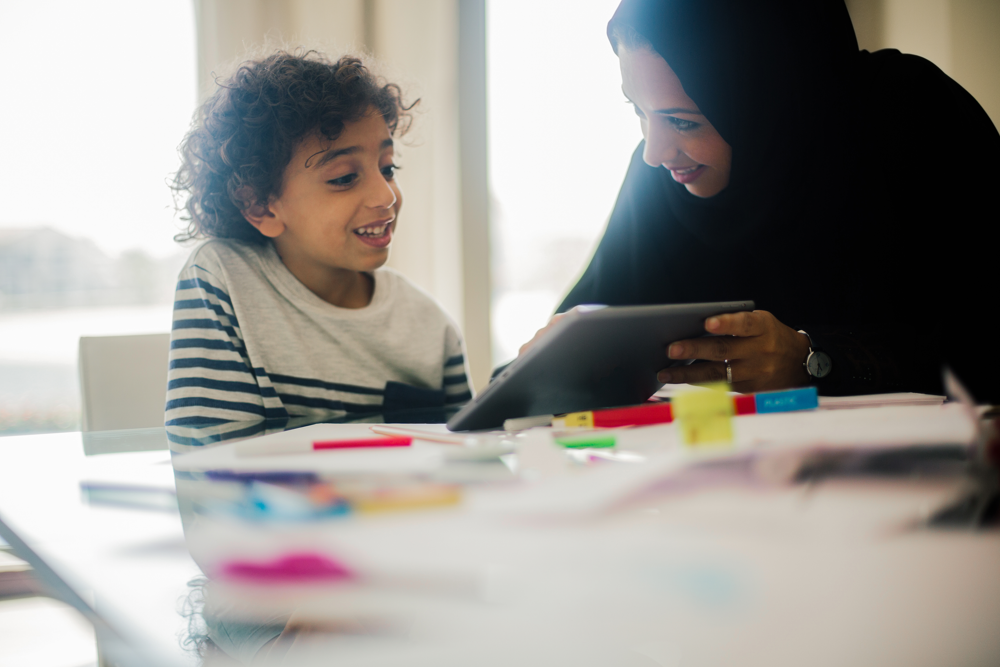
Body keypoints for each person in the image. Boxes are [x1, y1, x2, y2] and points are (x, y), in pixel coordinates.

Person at [542, 0, 999, 401]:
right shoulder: (660, 184)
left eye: (683, 122)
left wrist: (816, 359)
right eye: (639, 112)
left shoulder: (913, 121)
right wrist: (552, 370)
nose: (653, 152)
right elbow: (582, 330)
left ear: (763, 95)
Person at [165, 51, 472, 427]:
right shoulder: (223, 279)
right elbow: (211, 457)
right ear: (260, 206)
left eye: (387, 168)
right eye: (344, 177)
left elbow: (465, 450)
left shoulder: (430, 326)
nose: (387, 196)